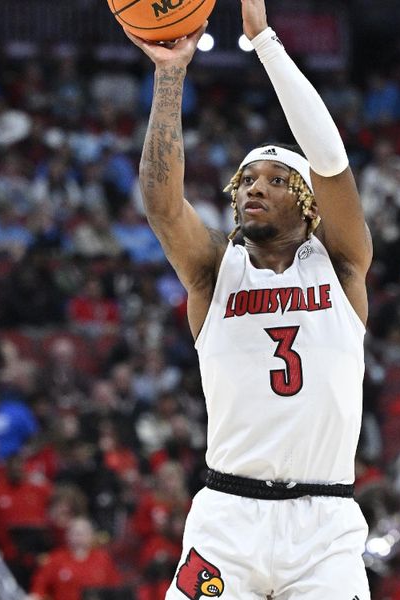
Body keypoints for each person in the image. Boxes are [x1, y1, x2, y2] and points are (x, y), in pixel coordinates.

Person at [124, 0, 373, 597]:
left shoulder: (340, 265)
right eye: (247, 180)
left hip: (324, 527)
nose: (255, 187)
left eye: (276, 180)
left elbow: (331, 160)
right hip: (226, 520)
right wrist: (169, 74)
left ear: (309, 204)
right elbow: (162, 206)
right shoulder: (215, 270)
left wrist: (264, 43)